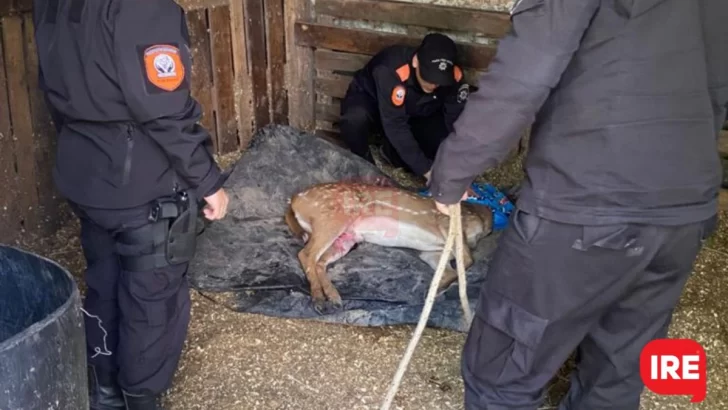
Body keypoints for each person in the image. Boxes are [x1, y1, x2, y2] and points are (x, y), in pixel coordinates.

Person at [427, 1, 728, 409]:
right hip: (681, 210)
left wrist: (453, 171)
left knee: (500, 377)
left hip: (585, 203)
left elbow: (523, 77)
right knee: (617, 376)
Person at [32, 0, 230, 409]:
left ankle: (103, 389)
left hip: (85, 172)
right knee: (152, 296)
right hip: (140, 183)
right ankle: (140, 397)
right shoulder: (145, 7)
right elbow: (164, 110)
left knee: (104, 279)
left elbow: (51, 89)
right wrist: (208, 181)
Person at [339, 32, 471, 183]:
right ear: (416, 62)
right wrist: (427, 171)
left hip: (414, 112)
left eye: (439, 81)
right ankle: (364, 165)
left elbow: (455, 120)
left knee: (438, 144)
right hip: (374, 104)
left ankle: (390, 152)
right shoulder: (390, 69)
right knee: (354, 119)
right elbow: (395, 124)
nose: (433, 85)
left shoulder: (454, 77)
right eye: (428, 77)